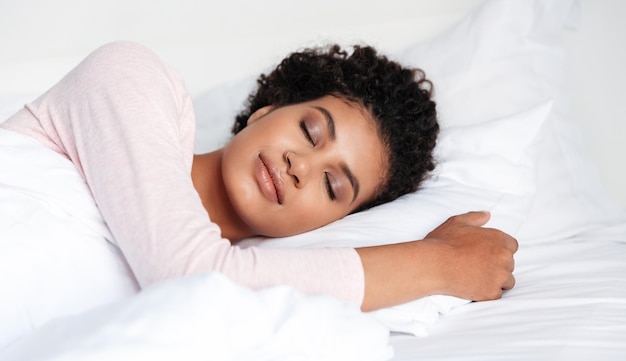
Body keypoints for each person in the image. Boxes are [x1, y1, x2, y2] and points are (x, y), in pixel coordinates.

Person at [0, 41, 516, 312]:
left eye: (333, 186)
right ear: (264, 111)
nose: (301, 166)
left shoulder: (265, 285)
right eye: (311, 131)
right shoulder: (132, 76)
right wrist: (439, 264)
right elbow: (191, 279)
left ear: (328, 224)